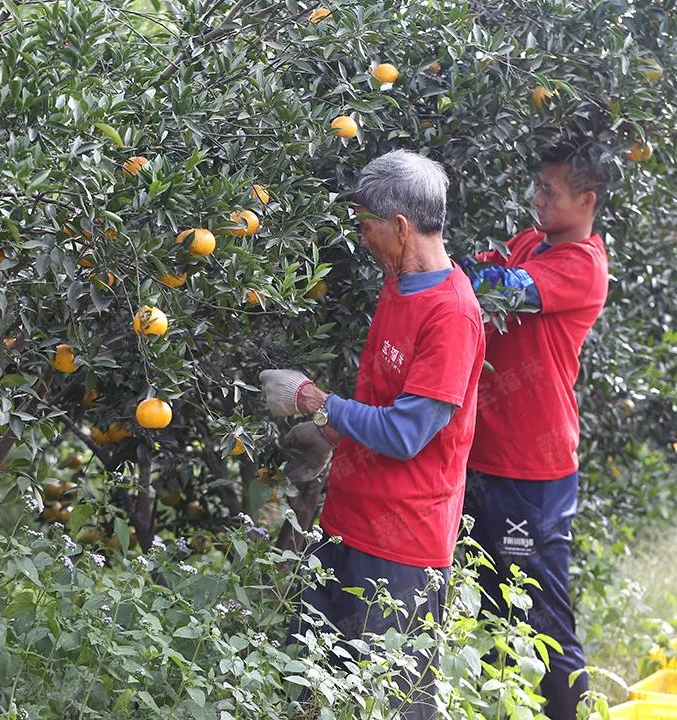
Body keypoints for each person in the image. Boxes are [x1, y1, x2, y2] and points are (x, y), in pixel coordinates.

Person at [259, 149, 485, 719]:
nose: (361, 237)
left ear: (401, 226)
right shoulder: (398, 286)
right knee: (309, 690)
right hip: (345, 526)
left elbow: (408, 433)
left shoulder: (451, 315)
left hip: (402, 545)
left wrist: (318, 403)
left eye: (366, 225)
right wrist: (332, 433)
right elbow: (381, 400)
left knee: (390, 703)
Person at [457, 141, 610, 718]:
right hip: (485, 455)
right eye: (538, 187)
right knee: (489, 608)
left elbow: (490, 288)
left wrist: (464, 270)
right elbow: (471, 270)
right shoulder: (531, 243)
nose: (536, 198)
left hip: (533, 470)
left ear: (587, 200)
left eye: (550, 191)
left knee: (543, 619)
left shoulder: (581, 265)